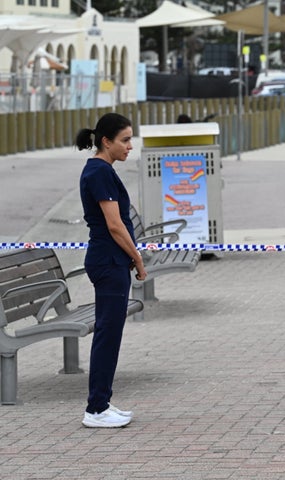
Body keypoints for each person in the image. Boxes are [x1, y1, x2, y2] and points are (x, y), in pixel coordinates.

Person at [75, 113, 147, 428]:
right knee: (107, 334)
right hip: (108, 261)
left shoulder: (102, 170)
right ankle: (96, 410)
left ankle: (101, 402)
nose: (130, 146)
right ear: (106, 141)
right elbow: (115, 225)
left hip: (111, 261)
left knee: (110, 334)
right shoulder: (99, 172)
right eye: (125, 140)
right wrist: (138, 258)